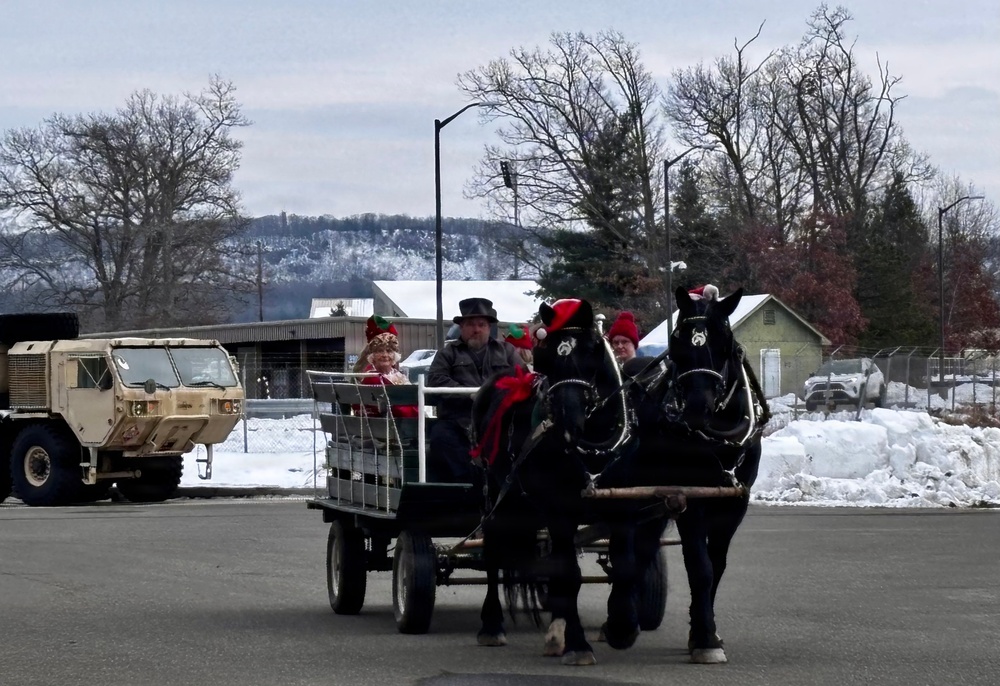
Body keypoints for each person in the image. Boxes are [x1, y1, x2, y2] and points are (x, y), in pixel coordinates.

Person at [427, 297, 519, 483]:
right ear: (462, 327)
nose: (476, 330)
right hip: (459, 421)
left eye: (481, 324)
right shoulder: (448, 353)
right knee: (440, 437)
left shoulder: (507, 351)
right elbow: (436, 380)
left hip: (500, 421)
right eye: (470, 324)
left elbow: (522, 377)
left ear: (488, 327)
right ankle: (472, 482)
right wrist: (468, 393)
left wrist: (496, 396)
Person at [357, 331, 418, 418]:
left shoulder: (398, 375)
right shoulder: (371, 378)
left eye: (389, 351)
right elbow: (397, 409)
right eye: (380, 351)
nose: (385, 355)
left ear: (394, 355)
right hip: (387, 423)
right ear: (373, 356)